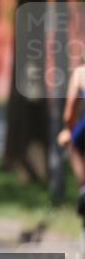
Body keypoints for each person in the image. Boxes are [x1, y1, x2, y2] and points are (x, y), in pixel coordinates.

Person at [56, 64, 85, 223]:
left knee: (73, 143)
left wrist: (69, 130)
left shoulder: (80, 73)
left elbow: (69, 114)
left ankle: (83, 189)